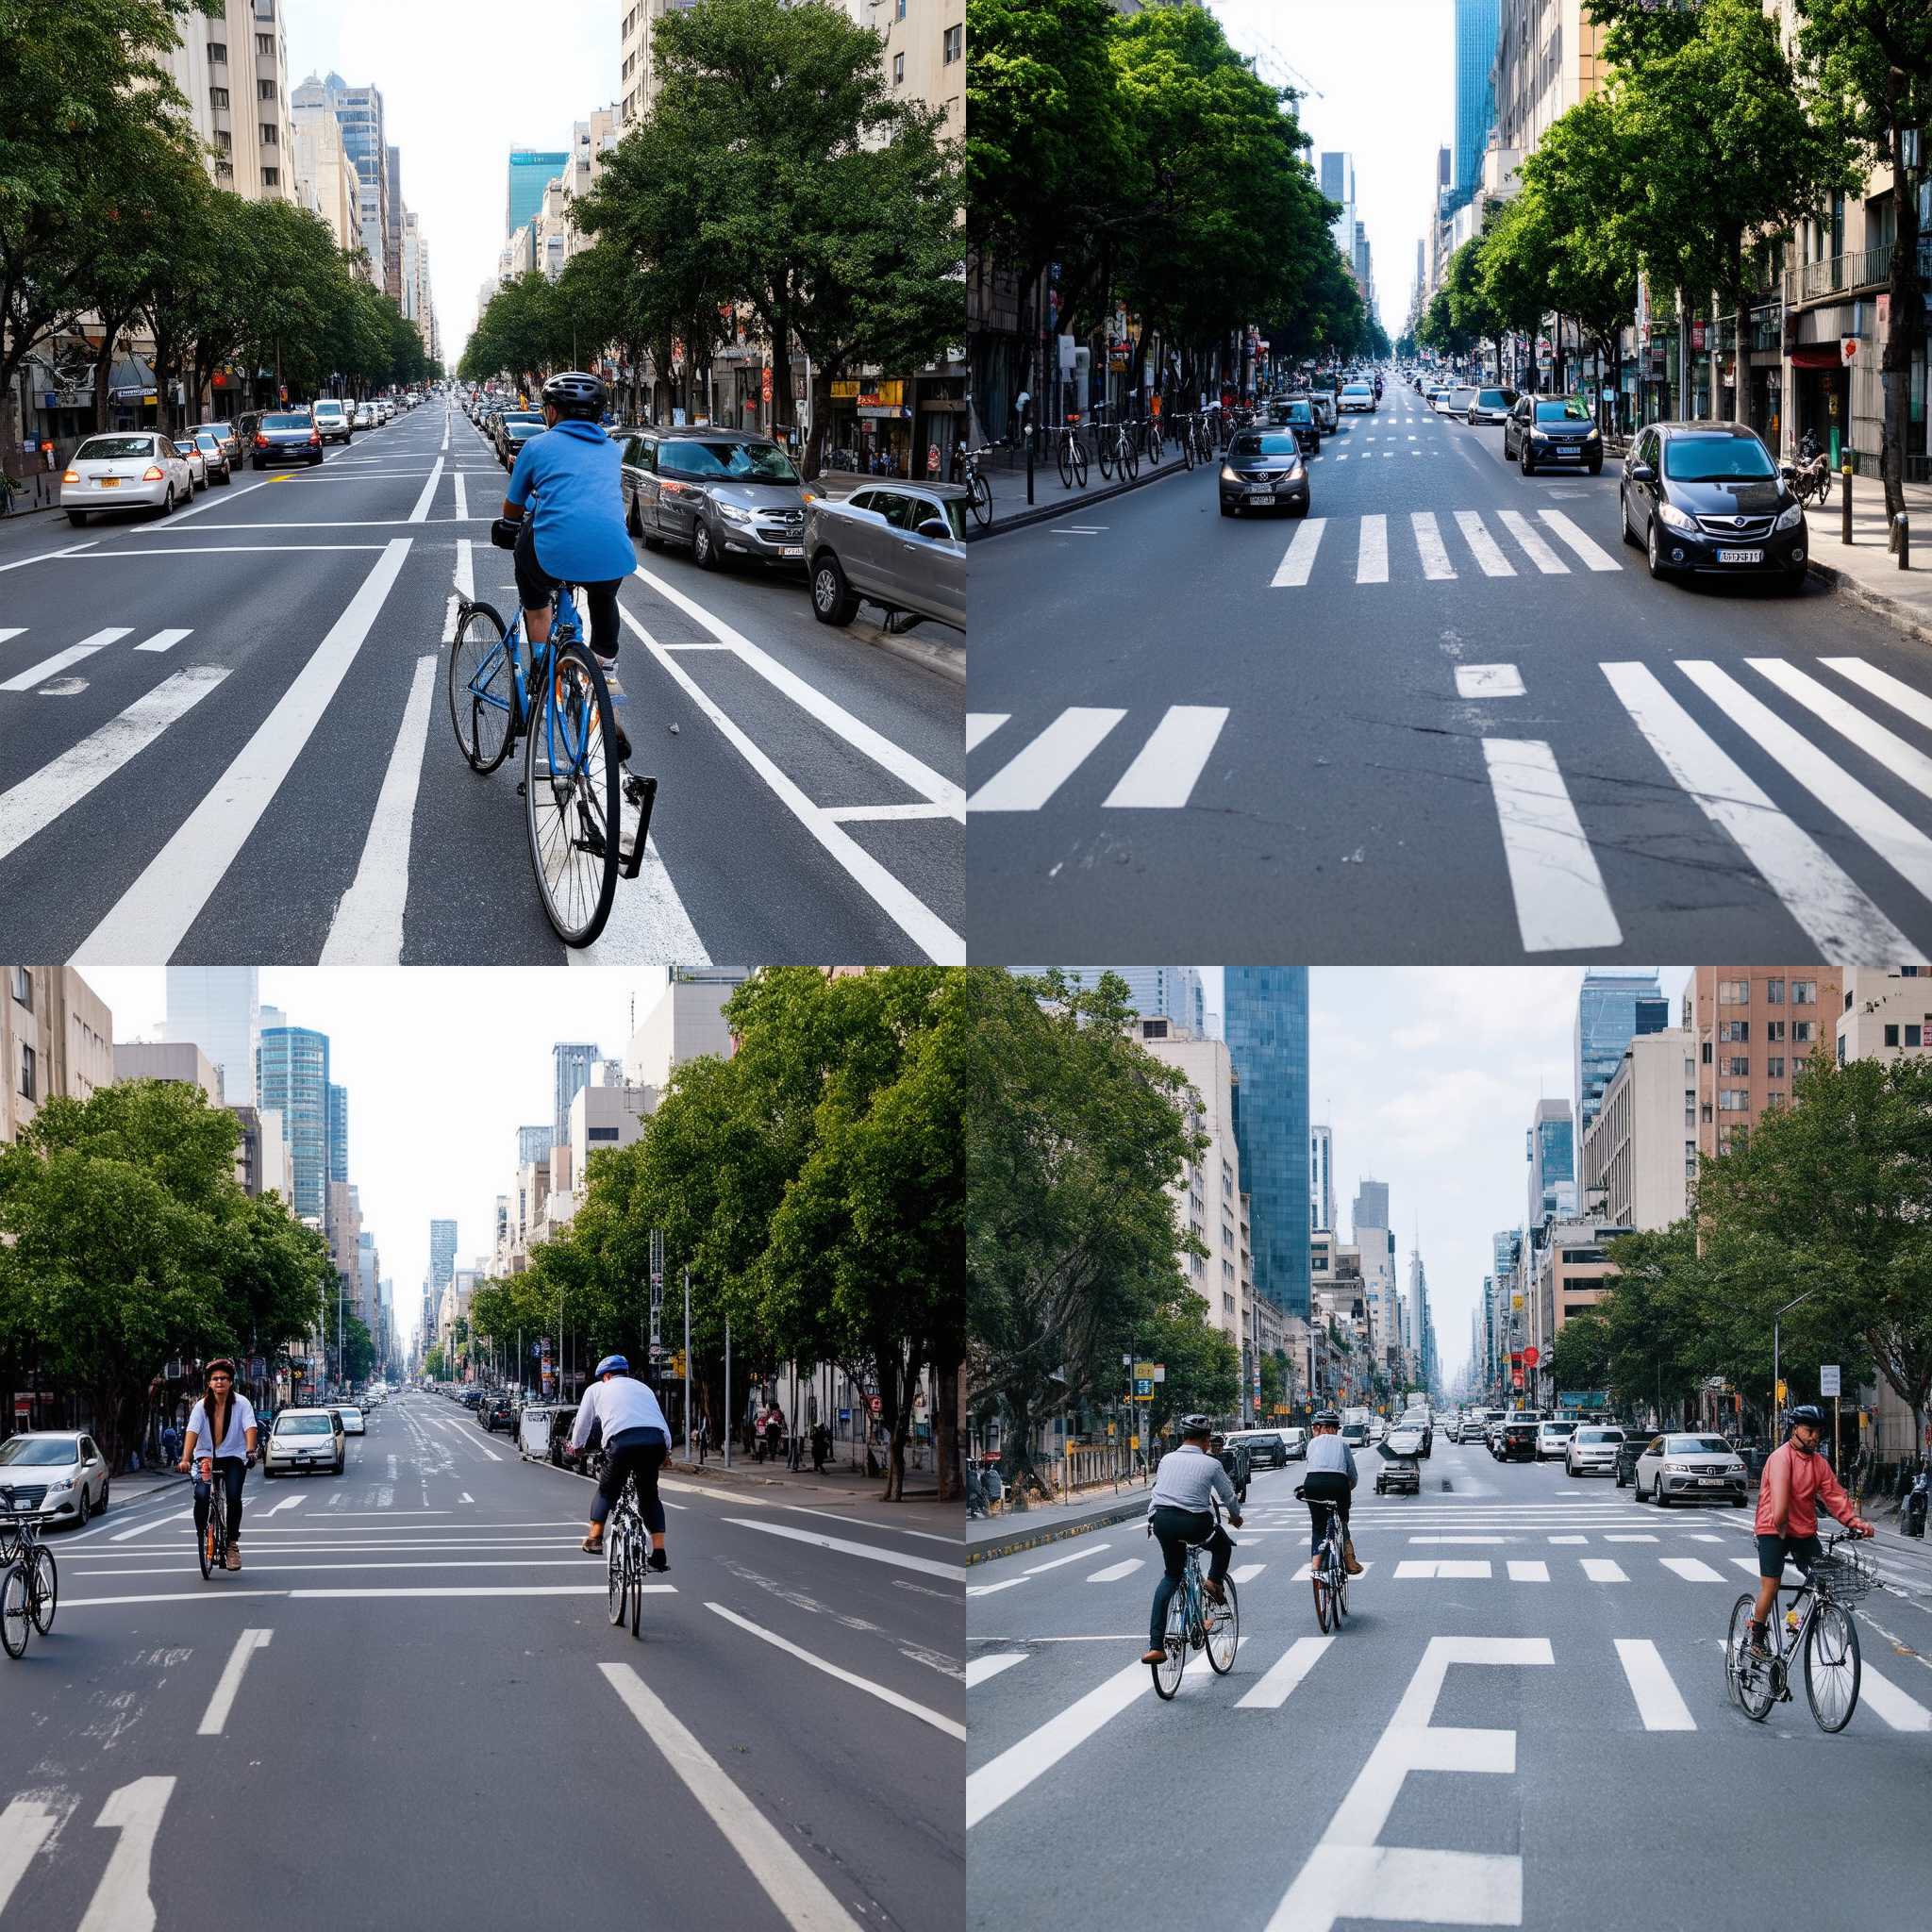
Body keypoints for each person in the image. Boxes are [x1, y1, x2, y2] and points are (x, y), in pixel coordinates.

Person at [495, 370, 636, 756]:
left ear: (552, 412)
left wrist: (507, 528)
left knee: (534, 580)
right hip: (612, 555)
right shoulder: (611, 449)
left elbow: (513, 507)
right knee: (604, 599)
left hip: (550, 556)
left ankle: (541, 665)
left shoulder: (537, 448)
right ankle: (604, 678)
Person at [1747, 1404, 1873, 1654]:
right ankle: (1757, 1638)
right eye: (1809, 1431)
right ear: (1795, 1429)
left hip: (1802, 1529)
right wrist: (1781, 1528)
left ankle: (1793, 1621)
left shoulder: (1818, 1464)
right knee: (1771, 1585)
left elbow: (1834, 1496)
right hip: (1772, 1528)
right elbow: (1780, 1505)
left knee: (1823, 1578)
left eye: (1818, 1432)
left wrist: (1854, 1522)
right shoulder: (1781, 1458)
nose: (1814, 1437)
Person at [1141, 1415, 1242, 1666]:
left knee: (1171, 1577)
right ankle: (1213, 1582)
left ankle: (1156, 1646)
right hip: (1195, 1523)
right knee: (1222, 1545)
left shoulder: (1166, 1459)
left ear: (1183, 1437)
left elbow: (1157, 1491)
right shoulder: (1210, 1464)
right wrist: (1236, 1517)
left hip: (1162, 1521)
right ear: (1207, 1440)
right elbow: (1228, 1496)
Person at [569, 1355, 671, 1569]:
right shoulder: (644, 1389)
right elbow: (659, 1421)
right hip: (655, 1441)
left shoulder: (597, 1389)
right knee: (650, 1496)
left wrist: (577, 1446)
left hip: (622, 1443)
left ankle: (594, 1538)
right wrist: (667, 1451)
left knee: (607, 1491)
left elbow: (583, 1423)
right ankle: (659, 1553)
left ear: (605, 1376)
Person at [177, 1359, 258, 1572]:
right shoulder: (201, 1406)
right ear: (209, 1383)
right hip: (206, 1457)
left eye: (223, 1378)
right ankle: (201, 1532)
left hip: (234, 1457)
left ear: (231, 1382)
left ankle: (232, 1544)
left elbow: (250, 1427)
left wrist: (250, 1451)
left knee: (233, 1496)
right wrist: (185, 1459)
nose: (219, 1382)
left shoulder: (242, 1403)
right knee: (202, 1494)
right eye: (215, 1379)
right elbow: (192, 1432)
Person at [1302, 1409, 1363, 1575]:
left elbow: (1312, 1468)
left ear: (1318, 1428)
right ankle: (1349, 1560)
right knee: (1342, 1521)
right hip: (1339, 1485)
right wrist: (1345, 1490)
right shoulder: (1342, 1444)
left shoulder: (1311, 1444)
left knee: (1318, 1526)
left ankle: (1316, 1567)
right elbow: (1353, 1477)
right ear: (1335, 1428)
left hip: (1312, 1485)